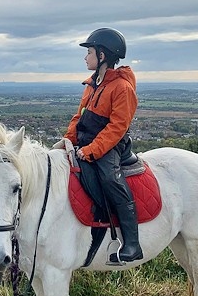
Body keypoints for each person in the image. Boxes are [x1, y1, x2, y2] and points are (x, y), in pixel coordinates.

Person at [60, 27, 143, 263]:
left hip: (111, 145)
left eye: (90, 52)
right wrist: (68, 139)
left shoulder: (122, 88)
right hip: (88, 141)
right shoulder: (91, 84)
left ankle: (132, 243)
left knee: (109, 178)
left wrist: (92, 151)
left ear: (102, 56)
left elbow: (117, 128)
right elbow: (80, 116)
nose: (85, 57)